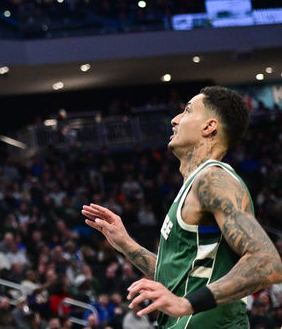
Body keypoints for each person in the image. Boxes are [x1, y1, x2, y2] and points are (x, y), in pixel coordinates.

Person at [83, 86, 282, 327]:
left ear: (209, 127)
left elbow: (267, 262)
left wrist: (186, 304)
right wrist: (126, 244)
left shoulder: (213, 180)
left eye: (187, 111)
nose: (175, 120)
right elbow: (179, 276)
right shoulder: (195, 185)